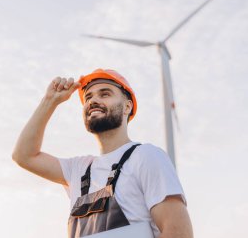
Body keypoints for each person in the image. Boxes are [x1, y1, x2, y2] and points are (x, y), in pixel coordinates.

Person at [12, 69, 193, 238]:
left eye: (105, 94)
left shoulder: (146, 156)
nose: (93, 101)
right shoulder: (79, 169)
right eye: (88, 96)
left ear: (127, 107)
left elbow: (178, 231)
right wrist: (49, 101)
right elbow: (24, 156)